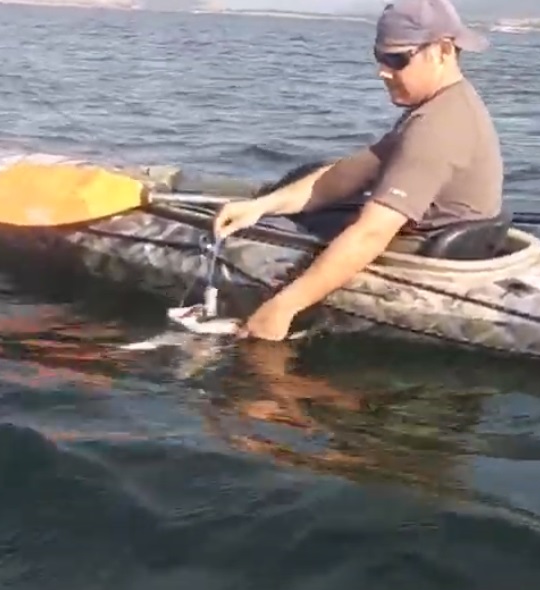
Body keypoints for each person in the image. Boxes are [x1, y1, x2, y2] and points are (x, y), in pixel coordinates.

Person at [212, 0, 504, 341]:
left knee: (267, 237)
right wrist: (259, 205)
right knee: (295, 184)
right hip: (435, 233)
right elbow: (343, 177)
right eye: (380, 57)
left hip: (423, 254)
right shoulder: (444, 105)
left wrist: (284, 308)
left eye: (397, 59)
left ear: (442, 50)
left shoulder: (436, 128)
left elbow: (371, 234)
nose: (383, 71)